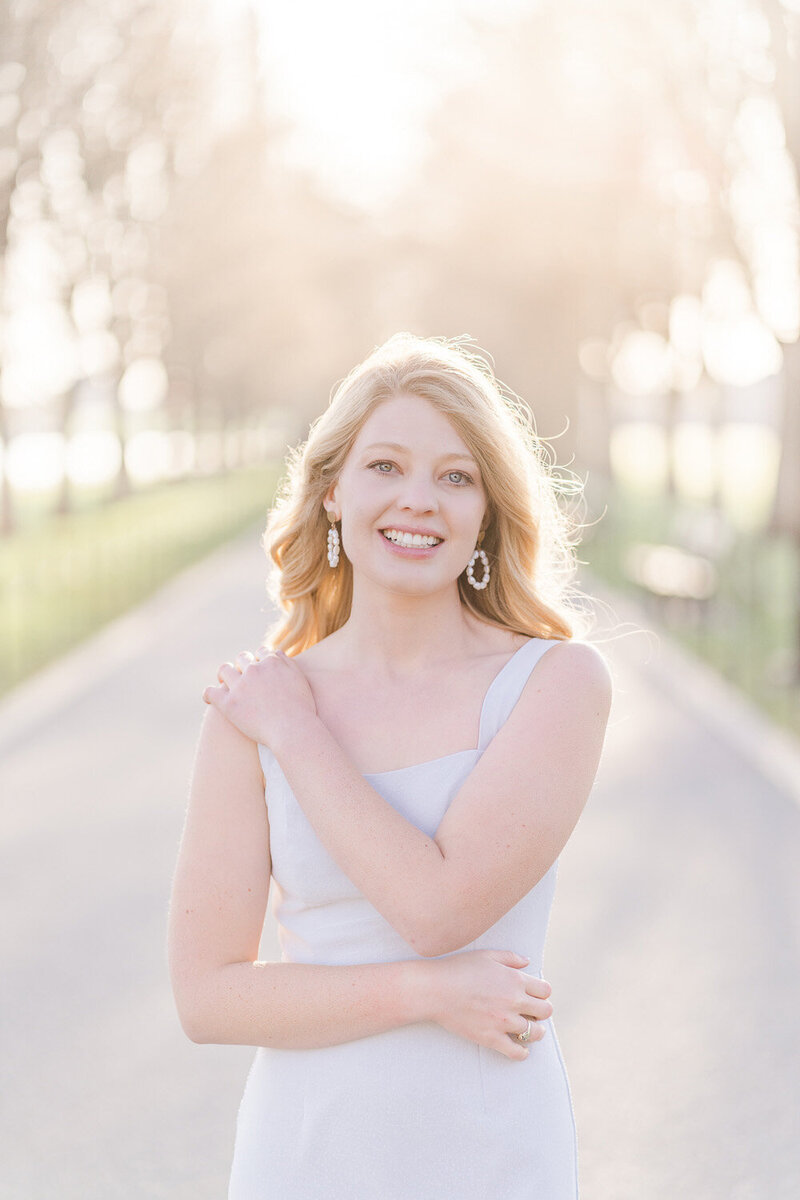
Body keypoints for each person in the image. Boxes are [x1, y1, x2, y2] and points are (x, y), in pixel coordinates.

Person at [167, 332, 613, 1199]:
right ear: (332, 492)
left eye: (456, 476)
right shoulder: (251, 712)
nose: (419, 500)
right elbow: (206, 997)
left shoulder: (553, 683)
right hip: (304, 1149)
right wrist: (426, 995)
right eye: (385, 467)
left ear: (487, 510)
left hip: (492, 1148)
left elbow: (436, 909)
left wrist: (300, 734)